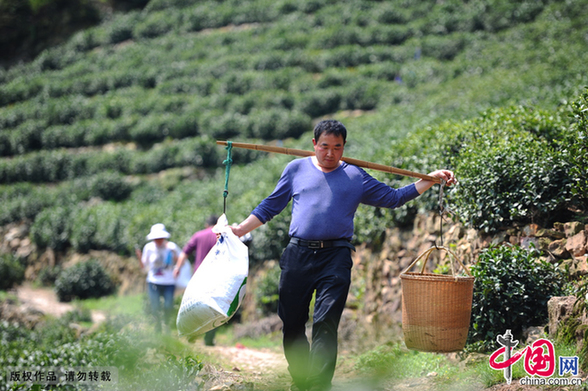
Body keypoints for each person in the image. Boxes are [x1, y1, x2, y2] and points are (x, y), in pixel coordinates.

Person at [229, 119, 456, 391]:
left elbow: (394, 198)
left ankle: (318, 383)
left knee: (326, 320)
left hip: (336, 255)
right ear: (314, 144)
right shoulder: (295, 169)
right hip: (298, 254)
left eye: (337, 147)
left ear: (344, 147)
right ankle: (300, 379)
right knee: (291, 322)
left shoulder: (355, 176)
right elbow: (270, 206)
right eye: (324, 146)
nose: (330, 153)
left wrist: (429, 179)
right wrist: (240, 229)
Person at [173, 214, 219, 346]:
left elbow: (184, 253)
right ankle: (209, 339)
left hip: (199, 276)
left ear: (206, 224)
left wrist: (177, 268)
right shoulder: (220, 235)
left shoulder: (198, 235)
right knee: (213, 306)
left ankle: (192, 335)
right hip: (216, 275)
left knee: (195, 305)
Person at [136, 223, 181, 334]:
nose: (159, 241)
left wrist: (173, 254)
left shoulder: (172, 247)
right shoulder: (148, 248)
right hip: (153, 281)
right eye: (156, 238)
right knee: (155, 306)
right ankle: (158, 326)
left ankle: (166, 324)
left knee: (168, 305)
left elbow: (180, 261)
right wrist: (139, 257)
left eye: (160, 238)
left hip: (169, 281)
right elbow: (143, 266)